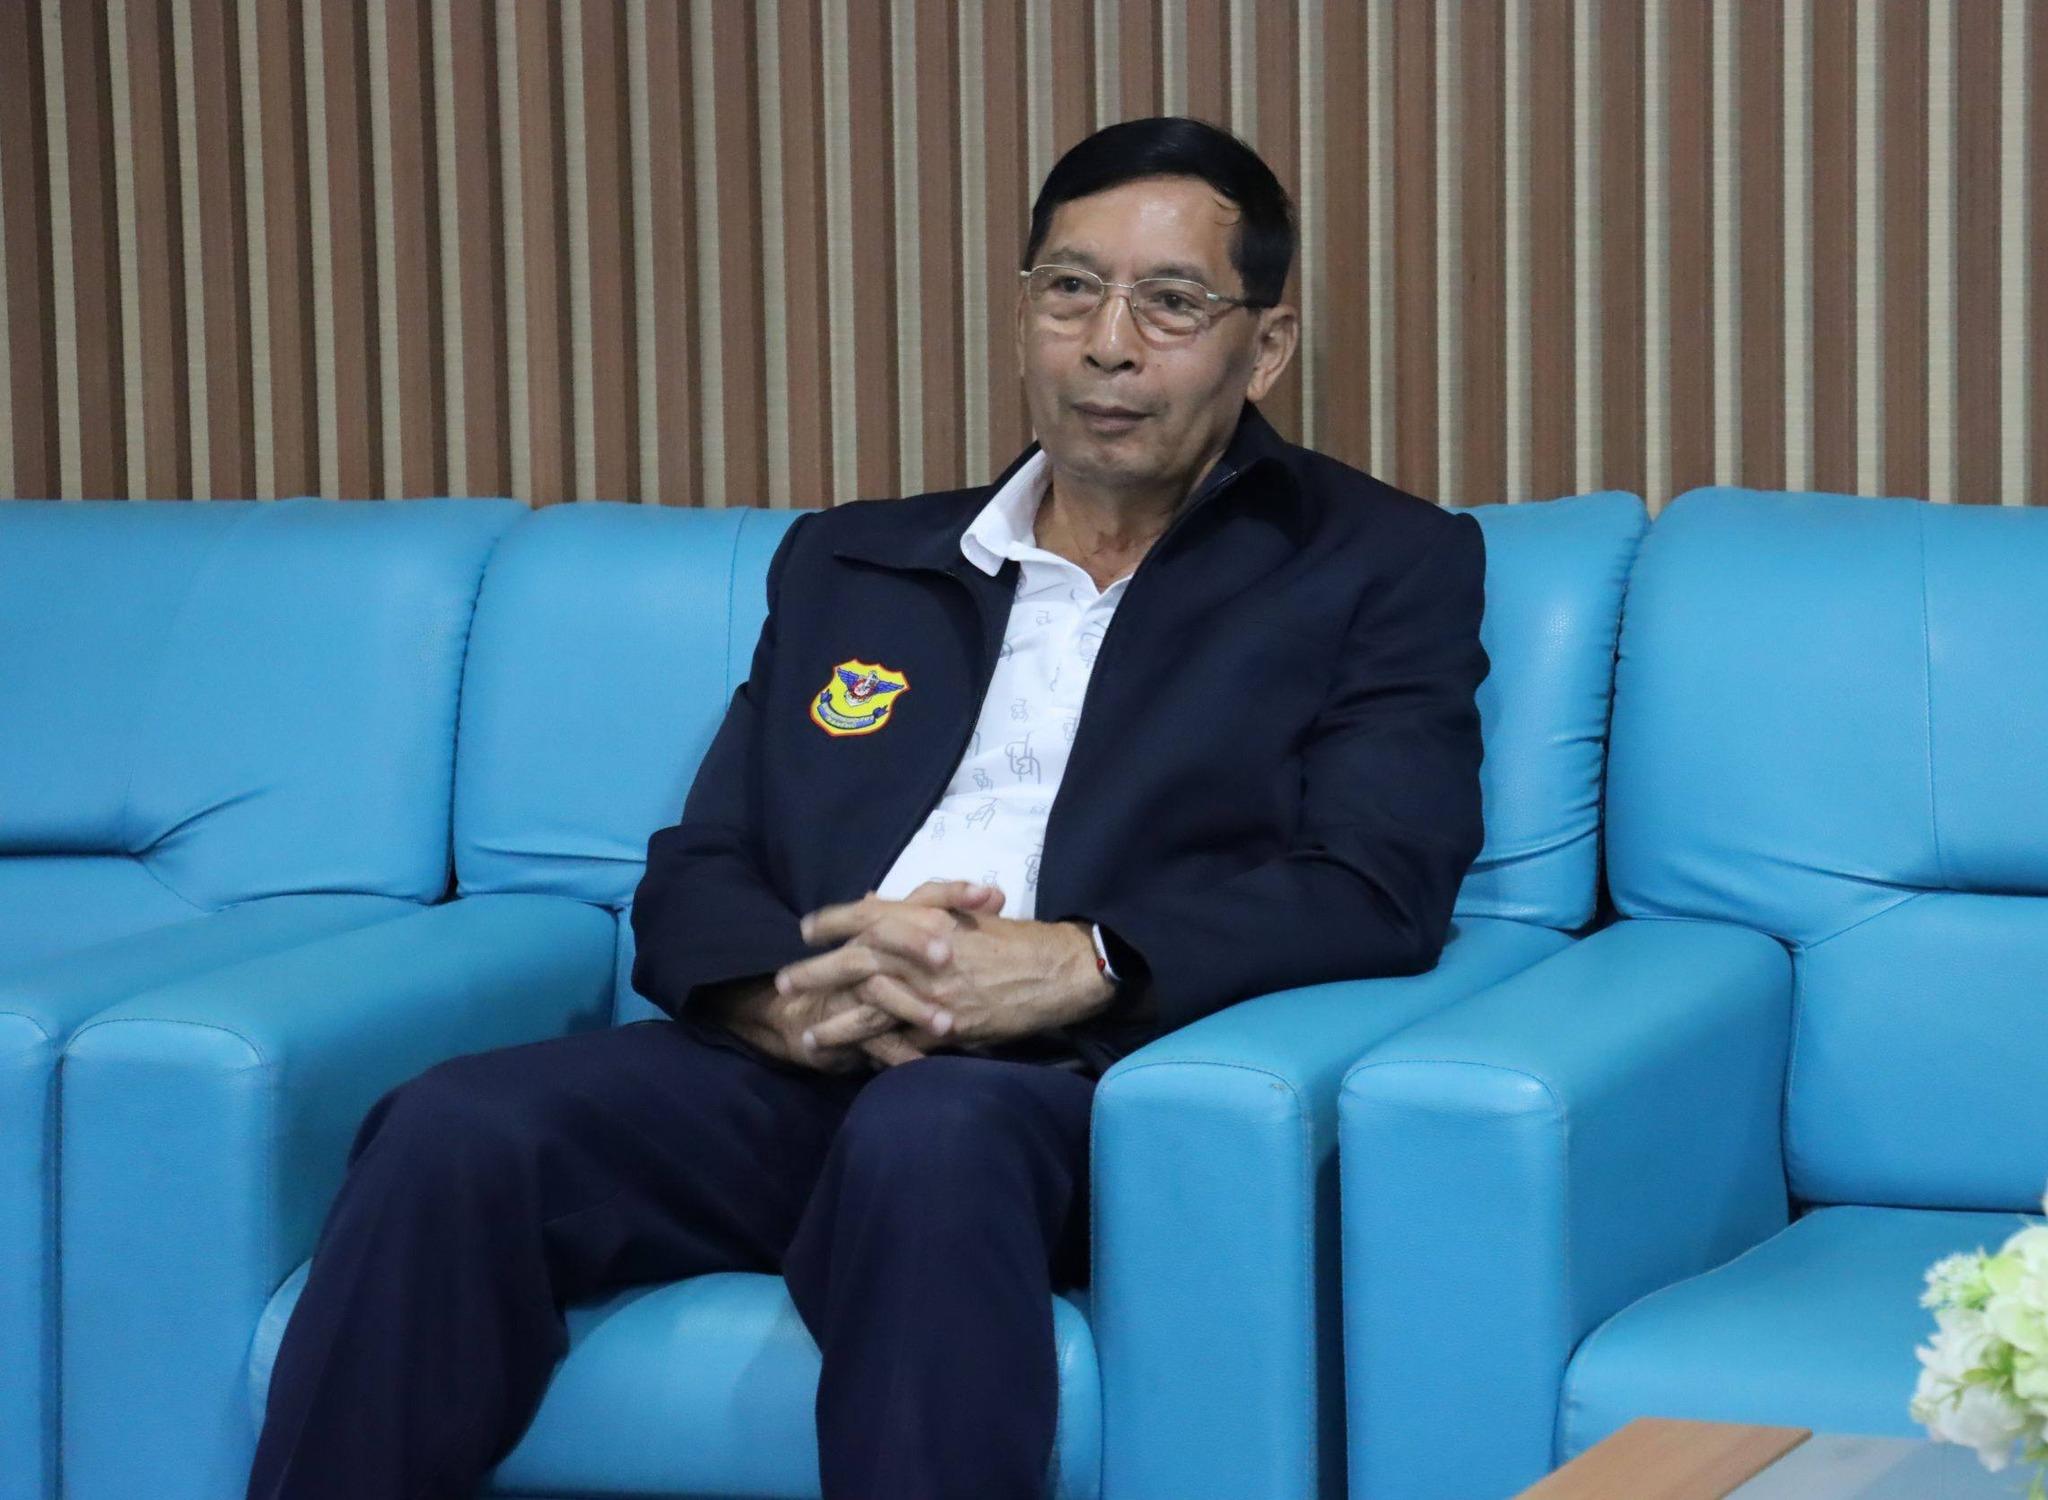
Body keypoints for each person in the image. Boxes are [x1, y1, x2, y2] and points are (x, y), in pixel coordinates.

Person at [244, 115, 1488, 1500]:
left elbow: (1379, 880)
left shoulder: (1376, 564)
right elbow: (701, 862)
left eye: (1171, 303)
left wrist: (1080, 960)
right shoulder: (856, 560)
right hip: (797, 1057)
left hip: (1075, 1090)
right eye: (1071, 290)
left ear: (1265, 347)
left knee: (931, 1134)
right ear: (1024, 313)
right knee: (452, 1130)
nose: (1109, 345)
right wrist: (788, 998)